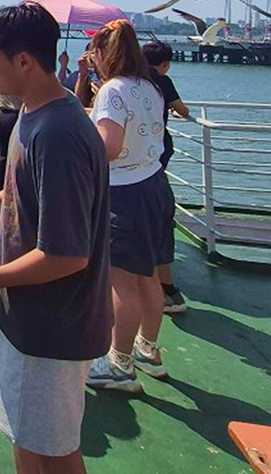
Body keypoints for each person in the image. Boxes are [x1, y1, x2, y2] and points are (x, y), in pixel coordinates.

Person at [0, 2, 110, 474]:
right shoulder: (37, 115)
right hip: (27, 320)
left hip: (51, 328)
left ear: (23, 61)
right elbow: (25, 191)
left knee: (52, 454)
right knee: (26, 440)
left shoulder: (58, 133)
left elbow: (67, 255)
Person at [77, 20, 173, 393]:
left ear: (105, 53)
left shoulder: (113, 91)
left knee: (121, 281)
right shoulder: (149, 86)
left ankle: (119, 363)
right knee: (148, 273)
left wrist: (86, 142)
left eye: (95, 52)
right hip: (153, 184)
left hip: (124, 193)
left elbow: (110, 148)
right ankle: (147, 348)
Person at [141, 40, 192, 315]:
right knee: (159, 218)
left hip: (136, 157)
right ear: (165, 63)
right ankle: (166, 290)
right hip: (157, 152)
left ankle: (163, 289)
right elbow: (181, 109)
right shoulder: (162, 80)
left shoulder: (131, 81)